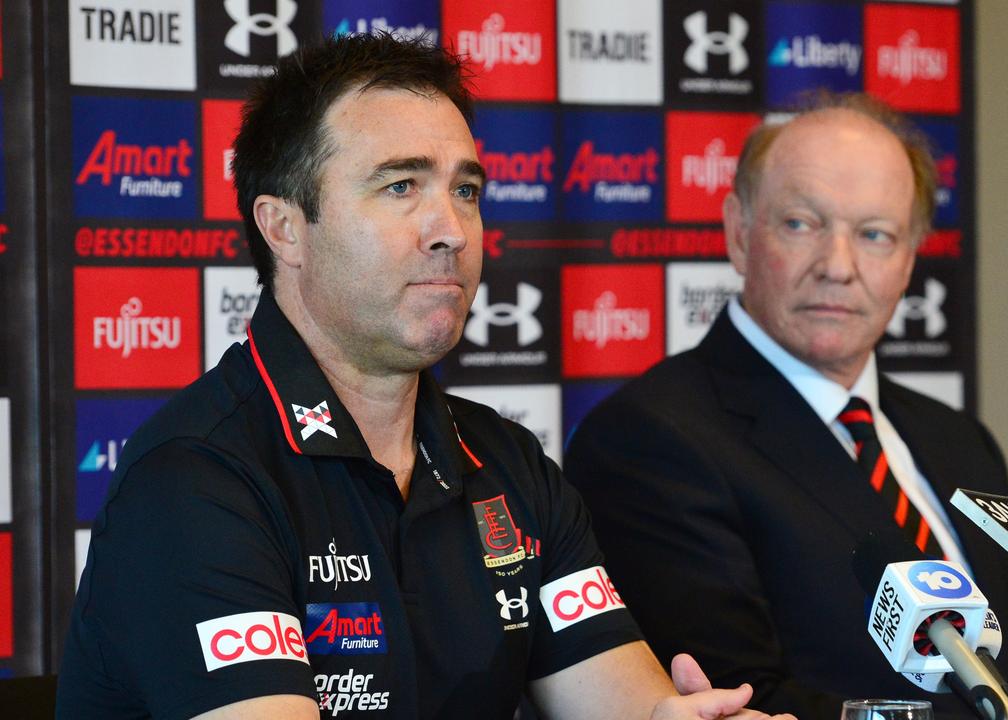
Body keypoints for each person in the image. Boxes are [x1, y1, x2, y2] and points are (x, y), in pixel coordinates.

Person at [56, 33, 795, 720]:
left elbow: (626, 704)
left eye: (466, 190)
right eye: (401, 186)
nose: (451, 229)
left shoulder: (509, 466)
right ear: (285, 228)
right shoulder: (196, 480)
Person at [564, 93, 1008, 719]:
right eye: (801, 224)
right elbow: (740, 699)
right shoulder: (649, 439)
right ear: (739, 232)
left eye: (874, 234)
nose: (838, 266)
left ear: (909, 259)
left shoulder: (959, 441)